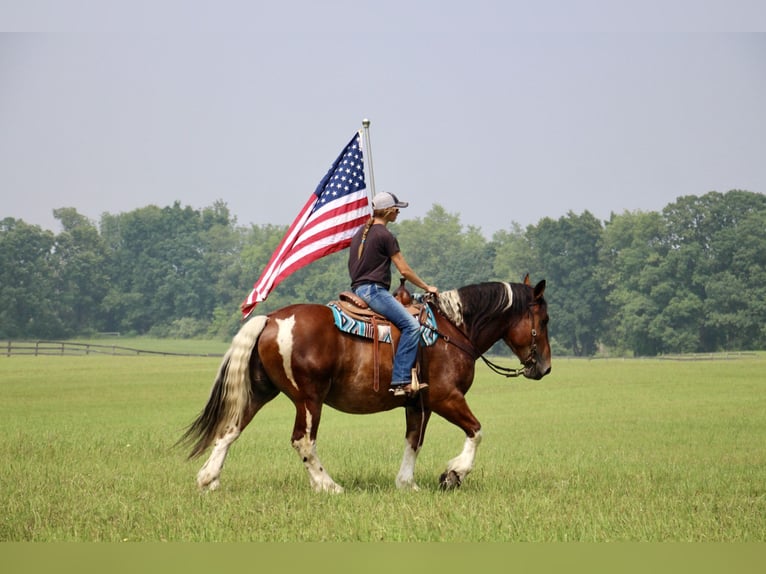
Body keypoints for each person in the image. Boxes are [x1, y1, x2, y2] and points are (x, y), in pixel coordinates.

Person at [348, 191, 439, 396]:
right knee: (412, 326)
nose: (398, 212)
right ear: (388, 211)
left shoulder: (361, 232)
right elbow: (404, 270)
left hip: (358, 290)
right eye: (396, 208)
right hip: (374, 291)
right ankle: (400, 380)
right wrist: (427, 287)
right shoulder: (385, 235)